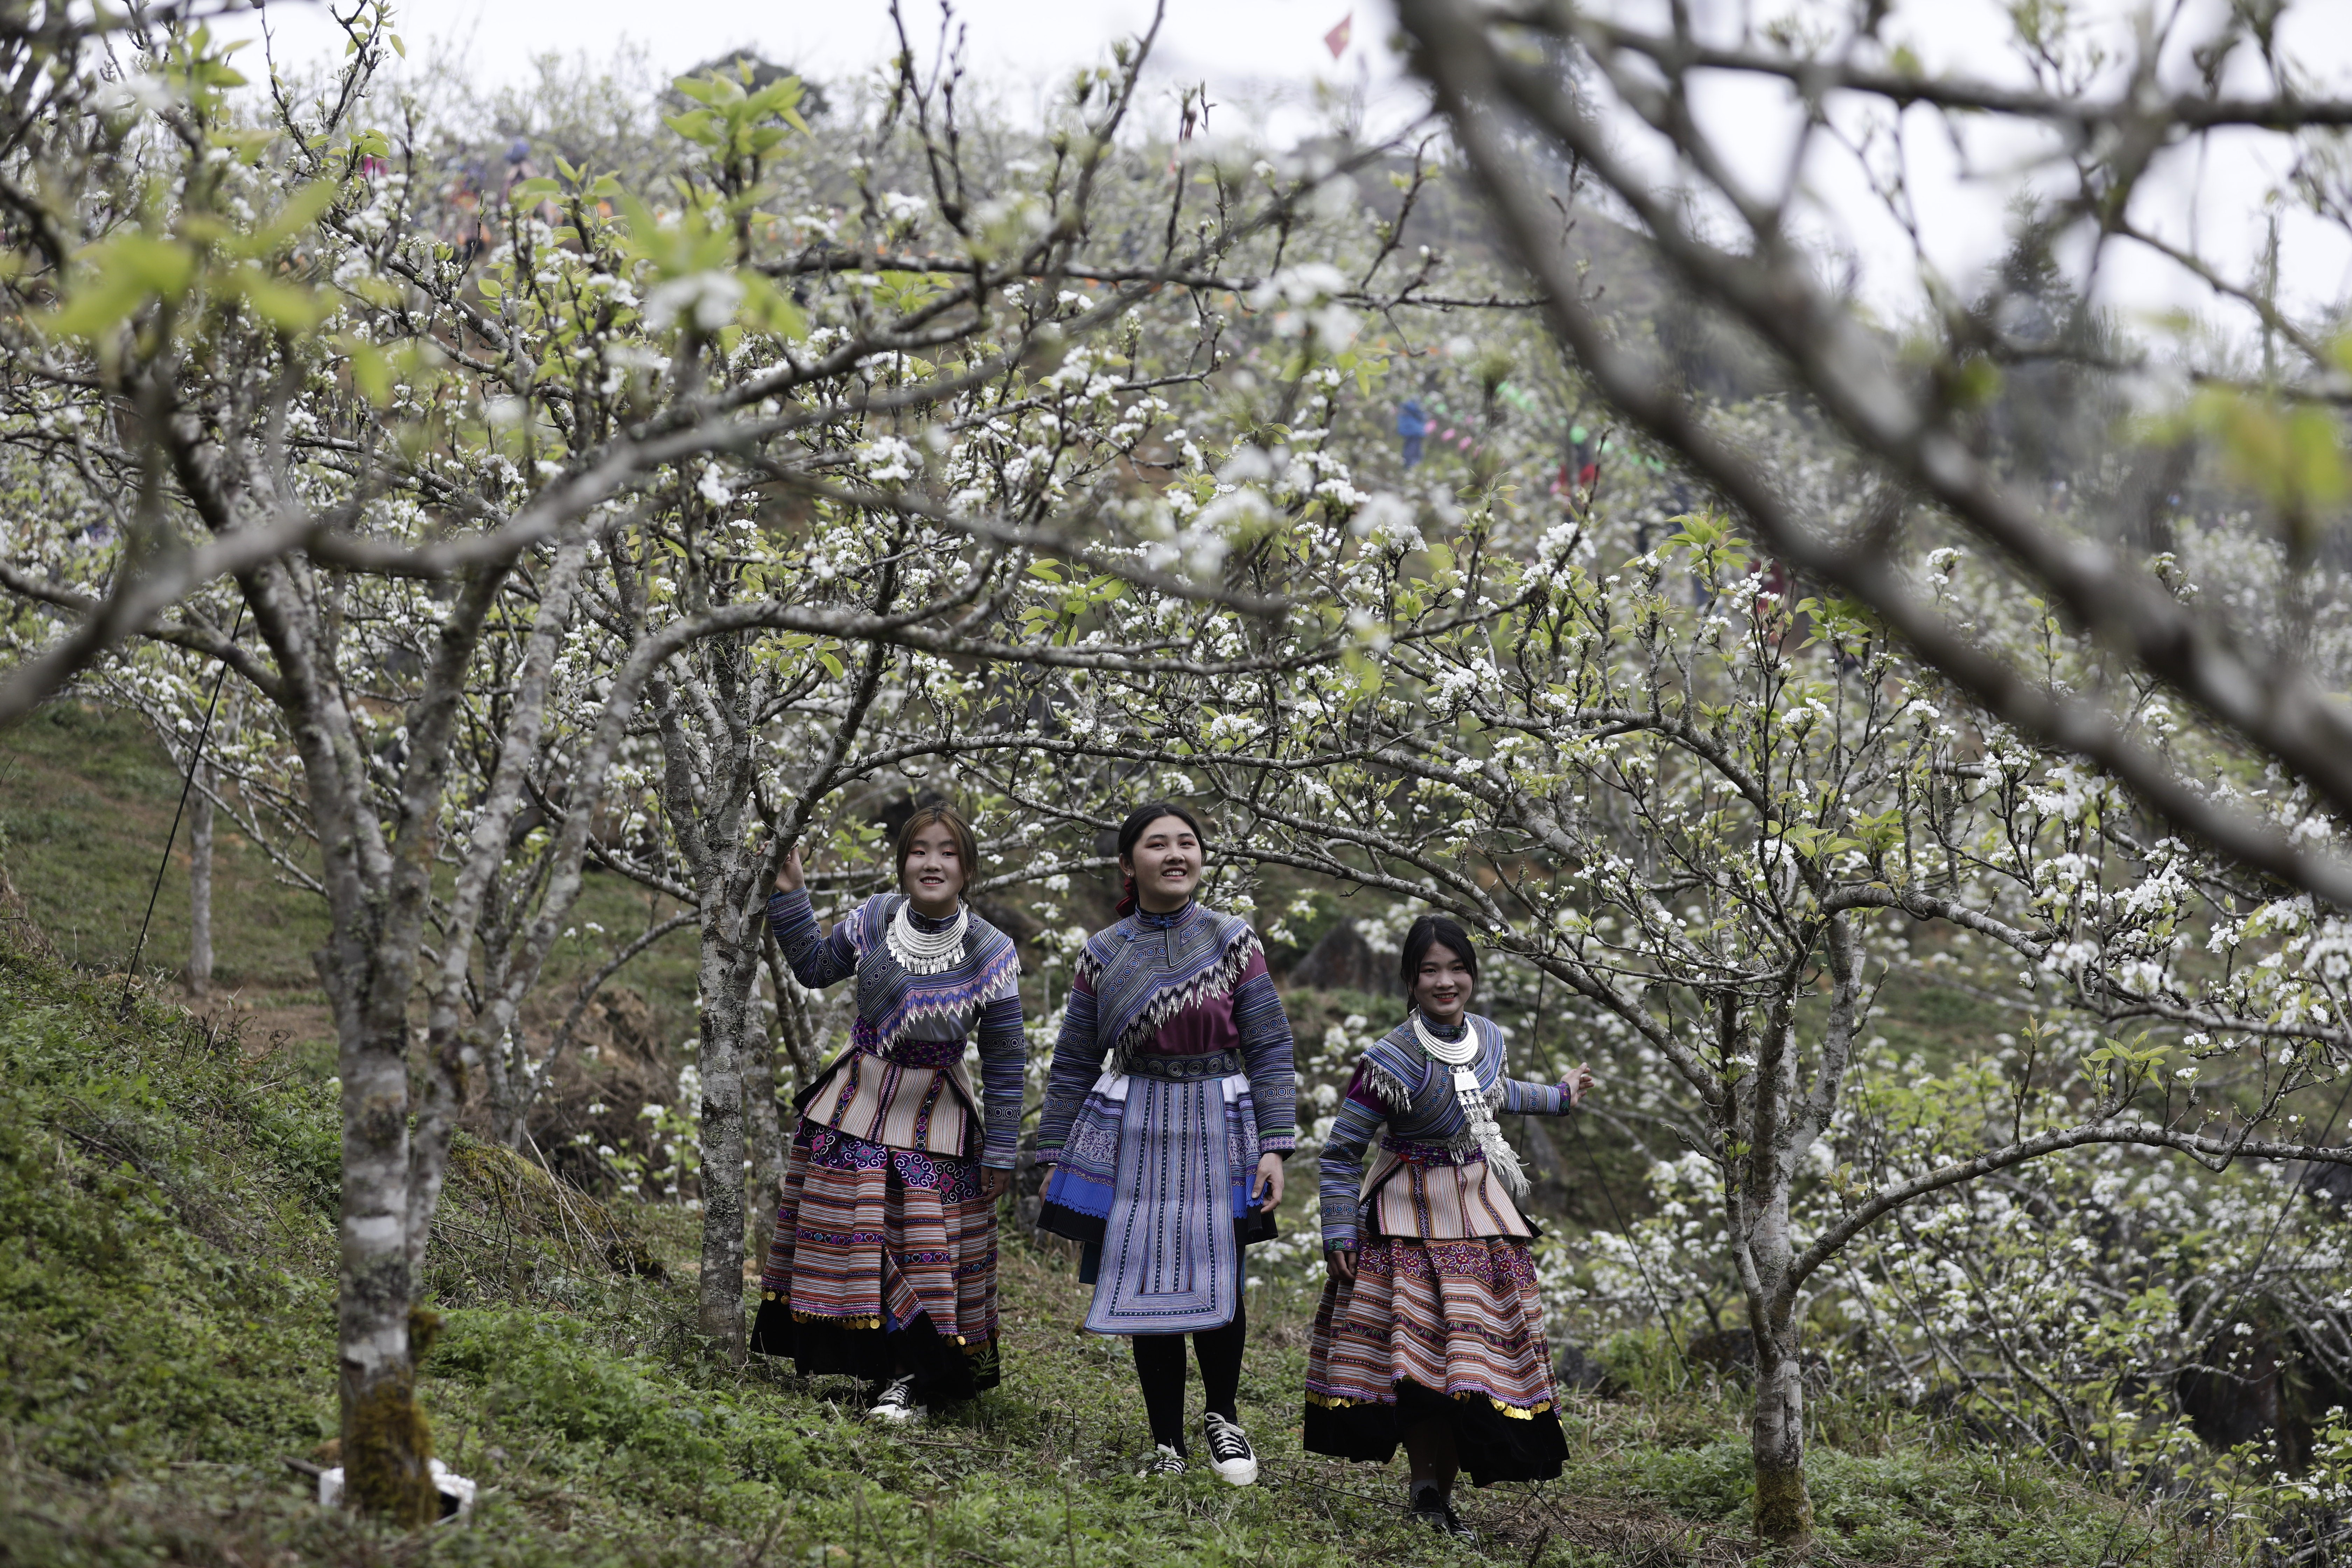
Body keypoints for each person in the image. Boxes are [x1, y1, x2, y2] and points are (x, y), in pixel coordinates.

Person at [1305, 915, 1595, 1540]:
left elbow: (1493, 1095)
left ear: (1473, 975)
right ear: (1410, 980)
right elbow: (1340, 1152)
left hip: (1477, 1211)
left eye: (1458, 969)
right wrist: (1338, 1232)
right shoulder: (1388, 1061)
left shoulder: (1487, 1037)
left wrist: (1561, 1097)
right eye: (1431, 970)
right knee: (1421, 1368)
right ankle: (1425, 1490)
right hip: (1405, 1220)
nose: (1446, 982)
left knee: (1473, 1366)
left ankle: (1444, 1494)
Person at [1034, 802, 1297, 1485]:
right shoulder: (1103, 951)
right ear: (1129, 863)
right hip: (1137, 1124)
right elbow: (1073, 1060)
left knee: (1218, 1267)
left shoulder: (1232, 940)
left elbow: (1270, 1045)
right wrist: (1052, 1152)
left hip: (1220, 1122)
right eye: (1158, 844)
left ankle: (1224, 1417)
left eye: (1188, 842)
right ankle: (1166, 1445)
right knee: (1147, 1275)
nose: (1176, 854)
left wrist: (1276, 1145)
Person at [750, 804, 1024, 1426]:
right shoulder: (875, 918)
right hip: (859, 1098)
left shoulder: (991, 950)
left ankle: (913, 1381)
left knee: (922, 1244)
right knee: (860, 1234)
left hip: (937, 1110)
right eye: (920, 851)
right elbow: (814, 968)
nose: (933, 863)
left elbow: (1007, 1056)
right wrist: (790, 892)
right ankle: (877, 1369)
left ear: (968, 868)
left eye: (948, 852)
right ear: (902, 863)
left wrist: (1003, 1149)